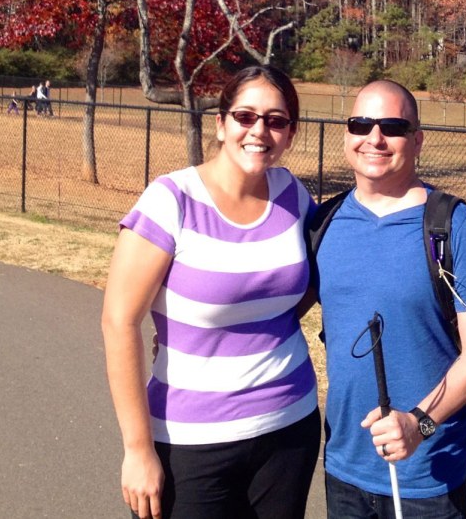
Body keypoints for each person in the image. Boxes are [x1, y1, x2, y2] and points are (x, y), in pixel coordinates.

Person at [102, 66, 321, 519]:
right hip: (190, 441)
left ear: (290, 134)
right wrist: (138, 449)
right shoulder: (171, 200)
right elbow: (119, 322)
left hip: (288, 427)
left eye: (276, 120)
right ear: (221, 124)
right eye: (245, 116)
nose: (259, 130)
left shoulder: (293, 195)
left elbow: (306, 283)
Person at [309, 80, 466, 519]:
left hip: (428, 481)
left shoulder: (453, 226)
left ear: (416, 140)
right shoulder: (325, 223)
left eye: (392, 126)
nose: (374, 138)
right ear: (346, 135)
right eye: (361, 124)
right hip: (344, 470)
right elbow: (275, 312)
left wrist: (419, 424)